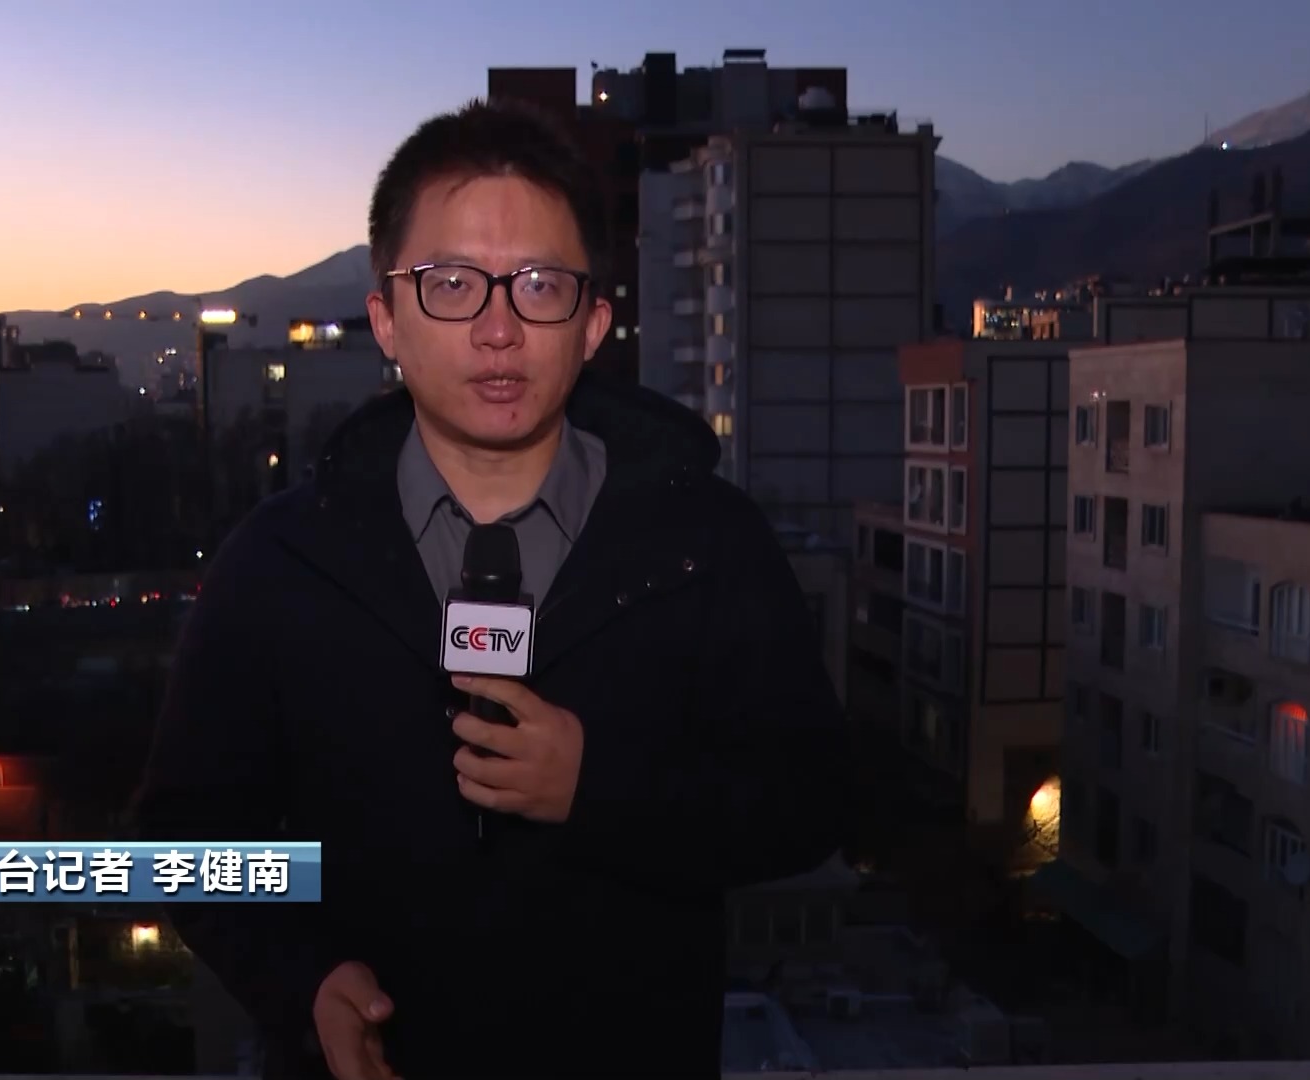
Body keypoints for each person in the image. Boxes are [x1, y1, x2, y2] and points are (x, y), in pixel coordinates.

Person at [136, 99, 849, 1079]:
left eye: (541, 286)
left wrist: (600, 787)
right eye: (452, 285)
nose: (500, 329)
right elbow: (186, 835)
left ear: (593, 325)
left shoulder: (707, 546)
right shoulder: (279, 563)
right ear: (386, 320)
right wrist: (302, 982)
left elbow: (811, 802)